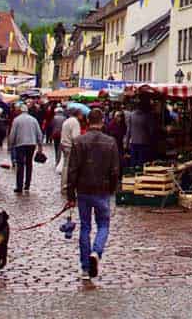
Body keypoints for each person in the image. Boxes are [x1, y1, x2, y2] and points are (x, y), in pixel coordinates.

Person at [67, 107, 121, 281]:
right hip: (102, 190)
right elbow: (115, 170)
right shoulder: (111, 142)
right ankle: (96, 252)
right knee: (103, 225)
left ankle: (84, 268)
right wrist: (113, 189)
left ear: (87, 121)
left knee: (85, 227)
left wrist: (70, 194)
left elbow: (72, 170)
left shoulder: (78, 141)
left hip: (83, 189)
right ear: (102, 121)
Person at [7, 103, 43, 193]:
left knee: (20, 165)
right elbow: (39, 133)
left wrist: (10, 145)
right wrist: (40, 145)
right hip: (31, 144)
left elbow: (12, 134)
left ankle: (19, 186)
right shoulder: (33, 120)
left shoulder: (17, 120)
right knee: (29, 164)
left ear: (20, 110)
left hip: (20, 144)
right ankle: (27, 185)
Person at [126, 101, 154, 168]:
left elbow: (128, 130)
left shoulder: (131, 115)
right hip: (144, 142)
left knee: (133, 161)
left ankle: (132, 173)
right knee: (141, 162)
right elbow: (151, 130)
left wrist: (127, 143)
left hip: (133, 142)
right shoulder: (146, 116)